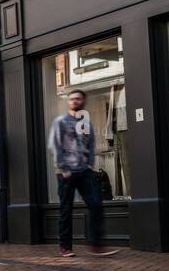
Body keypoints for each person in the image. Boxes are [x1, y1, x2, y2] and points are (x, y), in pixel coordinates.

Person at [48, 89, 118, 258]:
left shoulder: (87, 123)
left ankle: (96, 244)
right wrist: (63, 167)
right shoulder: (61, 121)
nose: (74, 101)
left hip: (84, 171)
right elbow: (54, 145)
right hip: (66, 173)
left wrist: (90, 165)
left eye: (78, 99)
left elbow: (91, 144)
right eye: (72, 99)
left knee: (96, 204)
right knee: (66, 209)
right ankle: (65, 246)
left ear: (83, 101)